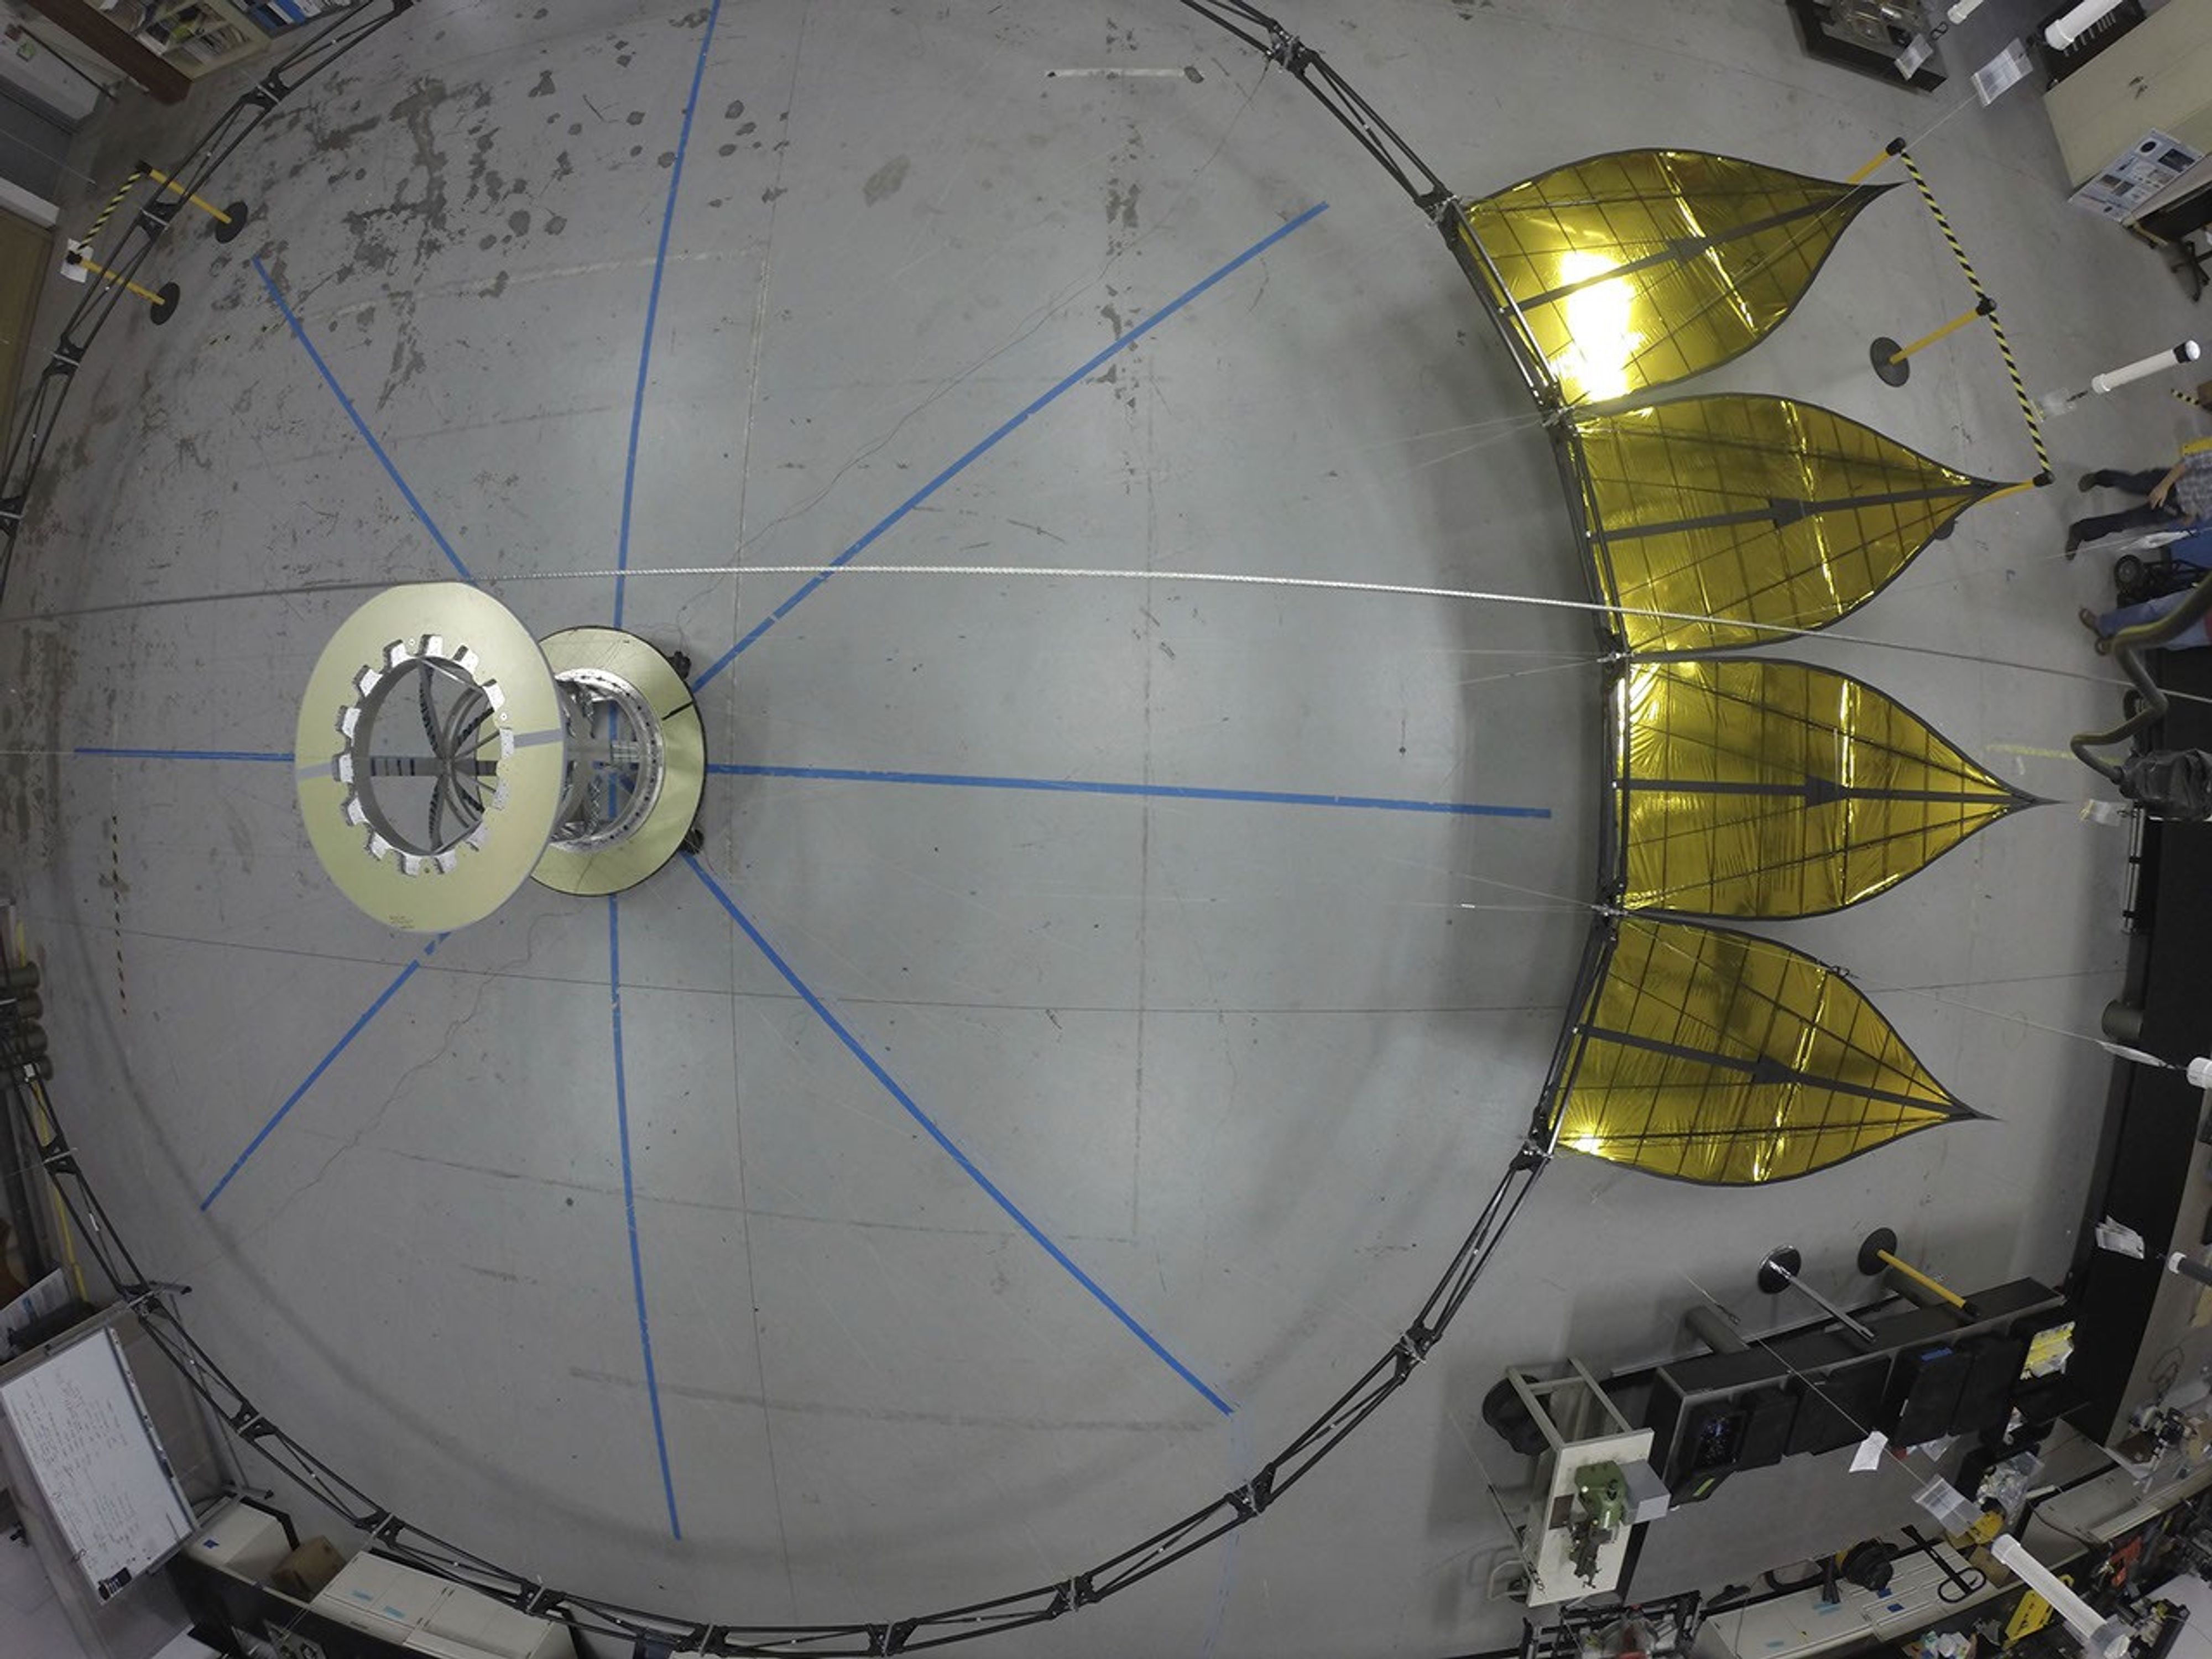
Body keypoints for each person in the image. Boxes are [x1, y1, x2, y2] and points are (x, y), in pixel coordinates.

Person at [2070, 439, 2212, 552]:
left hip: (2178, 509)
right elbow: (2189, 462)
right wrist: (2163, 487)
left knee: (2125, 522)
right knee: (2129, 483)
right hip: (2171, 483)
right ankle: (2099, 478)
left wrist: (2192, 515)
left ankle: (2081, 531)